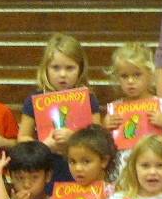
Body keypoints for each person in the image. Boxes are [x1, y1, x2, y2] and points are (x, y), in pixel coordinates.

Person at [17, 33, 103, 183]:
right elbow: (22, 139)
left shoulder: (88, 98)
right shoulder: (34, 100)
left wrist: (74, 138)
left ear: (80, 69)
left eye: (70, 68)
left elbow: (99, 139)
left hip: (80, 170)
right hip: (46, 168)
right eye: (55, 68)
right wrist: (43, 146)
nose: (62, 74)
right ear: (46, 68)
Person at [104, 41, 162, 173]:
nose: (130, 81)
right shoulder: (115, 109)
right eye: (124, 76)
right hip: (122, 176)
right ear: (117, 78)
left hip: (153, 175)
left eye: (137, 75)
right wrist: (105, 128)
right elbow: (105, 149)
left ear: (150, 75)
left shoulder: (161, 106)